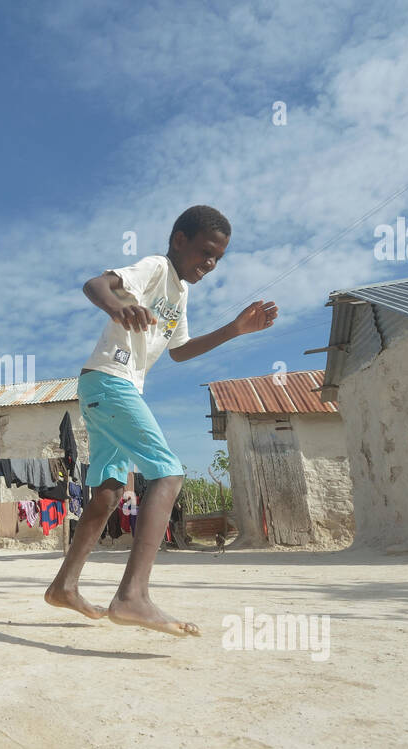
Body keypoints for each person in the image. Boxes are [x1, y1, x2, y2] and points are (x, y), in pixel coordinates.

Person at [44, 205, 277, 635]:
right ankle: (132, 596)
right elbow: (96, 284)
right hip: (111, 381)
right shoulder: (155, 268)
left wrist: (234, 330)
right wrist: (118, 307)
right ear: (179, 241)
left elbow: (180, 351)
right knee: (168, 472)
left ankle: (64, 586)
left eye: (218, 258)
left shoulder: (180, 293)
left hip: (111, 387)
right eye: (205, 252)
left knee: (108, 491)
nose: (210, 264)